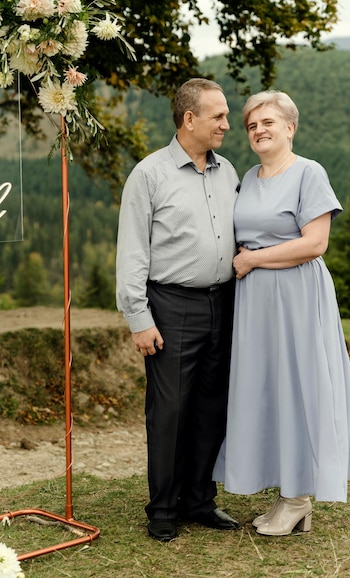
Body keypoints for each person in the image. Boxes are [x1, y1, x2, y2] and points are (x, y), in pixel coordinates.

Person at [213, 90, 350, 536]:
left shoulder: (309, 173)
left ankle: (298, 497)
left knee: (299, 386)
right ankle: (287, 495)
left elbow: (315, 244)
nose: (259, 130)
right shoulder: (250, 178)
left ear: (290, 127)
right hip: (256, 303)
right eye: (252, 125)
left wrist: (253, 259)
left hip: (297, 296)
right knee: (267, 388)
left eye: (268, 122)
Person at [116, 78, 240, 542]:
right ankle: (164, 508)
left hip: (222, 305)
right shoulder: (148, 175)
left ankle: (199, 500)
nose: (227, 125)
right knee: (169, 411)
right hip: (169, 306)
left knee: (211, 407)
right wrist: (139, 318)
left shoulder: (228, 172)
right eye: (219, 116)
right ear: (190, 119)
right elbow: (131, 253)